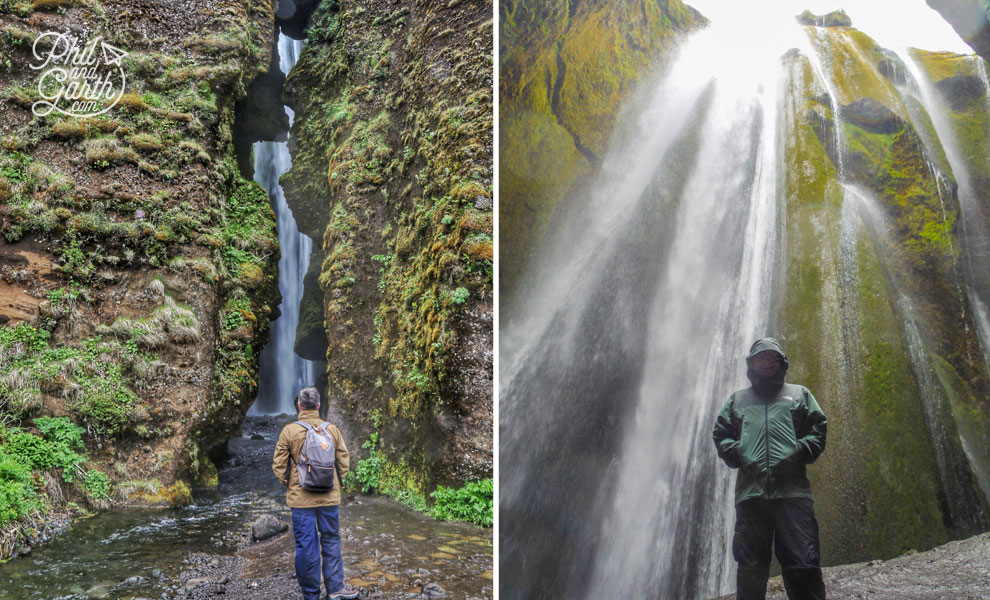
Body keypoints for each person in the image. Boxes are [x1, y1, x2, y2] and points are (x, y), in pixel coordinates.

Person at [712, 338, 828, 600]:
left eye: (770, 358)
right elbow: (721, 435)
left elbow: (818, 429)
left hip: (793, 495)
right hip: (751, 496)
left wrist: (798, 451)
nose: (765, 363)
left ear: (780, 363)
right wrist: (740, 453)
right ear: (751, 364)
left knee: (803, 563)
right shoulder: (737, 400)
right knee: (750, 568)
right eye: (759, 359)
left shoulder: (799, 394)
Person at [272, 387, 359, 600]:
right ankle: (336, 589)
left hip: (301, 500)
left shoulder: (289, 431)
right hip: (329, 497)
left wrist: (290, 482)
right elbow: (344, 463)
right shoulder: (332, 429)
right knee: (331, 539)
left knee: (306, 545)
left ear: (299, 406)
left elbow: (278, 466)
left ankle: (311, 594)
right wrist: (334, 482)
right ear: (319, 405)